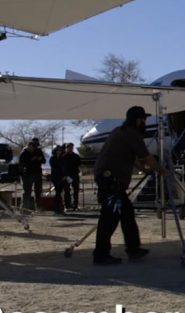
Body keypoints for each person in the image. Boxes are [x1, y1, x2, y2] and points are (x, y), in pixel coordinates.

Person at [92, 105, 171, 265]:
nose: (145, 122)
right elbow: (146, 157)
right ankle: (101, 254)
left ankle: (133, 248)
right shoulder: (131, 134)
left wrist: (145, 170)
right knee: (109, 217)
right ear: (137, 120)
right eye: (143, 119)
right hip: (111, 180)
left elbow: (133, 158)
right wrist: (161, 171)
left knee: (127, 214)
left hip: (110, 179)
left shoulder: (119, 132)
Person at [18, 138, 45, 209]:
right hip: (27, 174)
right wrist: (31, 160)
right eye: (33, 145)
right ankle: (25, 207)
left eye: (36, 145)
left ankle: (38, 207)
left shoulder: (38, 151)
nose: (35, 147)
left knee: (38, 191)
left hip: (37, 172)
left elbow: (43, 160)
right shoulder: (24, 152)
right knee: (27, 191)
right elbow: (21, 164)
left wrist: (39, 159)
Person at [62, 143, 82, 210]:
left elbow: (79, 164)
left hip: (75, 174)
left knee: (76, 190)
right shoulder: (63, 157)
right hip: (67, 175)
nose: (70, 149)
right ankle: (67, 205)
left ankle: (75, 205)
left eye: (71, 148)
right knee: (67, 190)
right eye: (68, 148)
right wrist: (64, 175)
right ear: (66, 148)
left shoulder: (76, 156)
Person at [48, 145, 66, 215]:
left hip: (62, 177)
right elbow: (54, 167)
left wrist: (64, 175)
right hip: (55, 177)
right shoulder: (52, 158)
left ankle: (59, 208)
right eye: (57, 150)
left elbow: (65, 167)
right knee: (57, 192)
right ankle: (56, 208)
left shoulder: (63, 158)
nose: (59, 152)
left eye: (60, 150)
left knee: (60, 192)